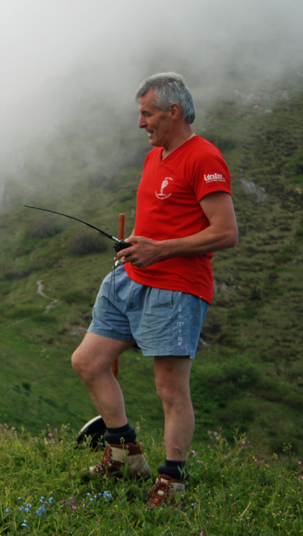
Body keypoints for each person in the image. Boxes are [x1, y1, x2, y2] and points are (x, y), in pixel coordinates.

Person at [71, 73, 238, 508]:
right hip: (131, 280)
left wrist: (159, 250)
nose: (140, 123)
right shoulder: (155, 157)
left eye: (147, 114)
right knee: (88, 362)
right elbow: (161, 219)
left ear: (173, 112)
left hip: (176, 288)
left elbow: (226, 232)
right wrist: (137, 245)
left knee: (170, 389)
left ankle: (172, 481)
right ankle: (124, 453)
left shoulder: (204, 157)